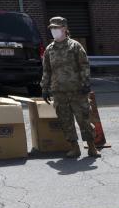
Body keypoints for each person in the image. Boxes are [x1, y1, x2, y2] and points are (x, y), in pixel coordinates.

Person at [41, 16, 98, 158]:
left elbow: (84, 65)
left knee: (84, 120)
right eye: (52, 28)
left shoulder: (75, 46)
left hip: (77, 91)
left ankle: (92, 147)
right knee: (65, 121)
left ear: (65, 29)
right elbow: (47, 70)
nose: (54, 31)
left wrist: (85, 83)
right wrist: (44, 87)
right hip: (59, 92)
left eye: (57, 28)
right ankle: (74, 148)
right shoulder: (49, 49)